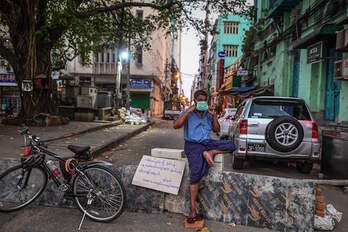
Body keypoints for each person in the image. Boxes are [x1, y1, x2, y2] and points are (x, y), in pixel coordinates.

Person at [173, 89, 236, 223]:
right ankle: (192, 210)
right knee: (195, 174)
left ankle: (211, 152)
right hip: (193, 145)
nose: (202, 102)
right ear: (195, 100)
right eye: (199, 100)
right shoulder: (188, 112)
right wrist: (189, 111)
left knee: (231, 145)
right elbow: (176, 125)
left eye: (204, 100)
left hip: (207, 143)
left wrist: (213, 116)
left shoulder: (208, 113)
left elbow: (217, 130)